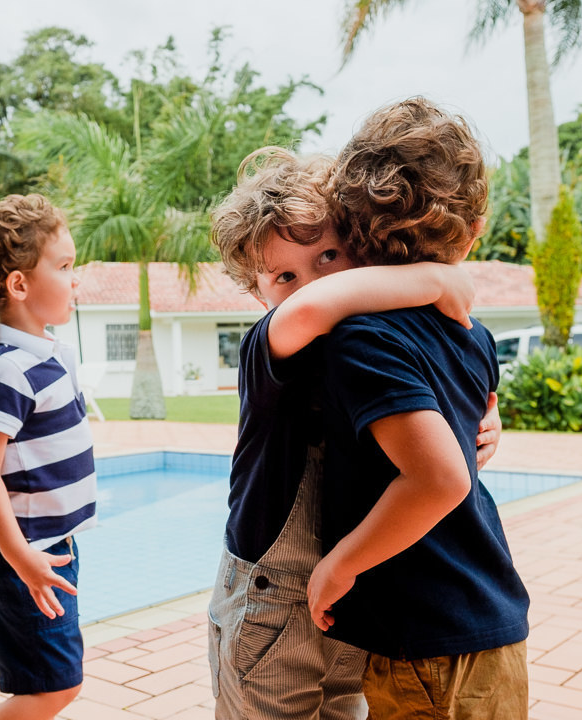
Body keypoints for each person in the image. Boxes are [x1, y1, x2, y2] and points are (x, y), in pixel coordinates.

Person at [207, 146, 501, 720]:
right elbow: (305, 312)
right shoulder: (270, 344)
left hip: (351, 582)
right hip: (273, 594)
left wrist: (486, 423)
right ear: (256, 294)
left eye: (328, 256)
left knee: (347, 710)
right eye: (283, 275)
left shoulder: (367, 346)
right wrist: (434, 277)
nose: (310, 282)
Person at [307, 98, 530, 719]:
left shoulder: (365, 339)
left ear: (349, 226)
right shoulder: (469, 329)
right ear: (475, 229)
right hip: (474, 616)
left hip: (430, 639)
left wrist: (337, 566)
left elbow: (440, 477)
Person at [0, 193, 94, 720]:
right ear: (19, 285)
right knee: (53, 687)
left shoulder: (51, 354)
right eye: (64, 266)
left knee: (54, 679)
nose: (74, 278)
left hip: (48, 547)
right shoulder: (5, 369)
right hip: (23, 555)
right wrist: (21, 558)